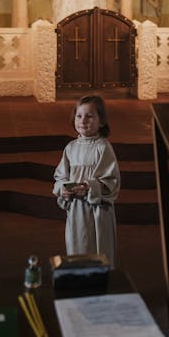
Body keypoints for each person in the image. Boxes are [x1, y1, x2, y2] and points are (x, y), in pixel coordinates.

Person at [53, 95, 121, 267]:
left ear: (101, 121)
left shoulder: (103, 147)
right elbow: (60, 177)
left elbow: (111, 181)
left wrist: (90, 187)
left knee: (98, 251)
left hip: (98, 211)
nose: (83, 120)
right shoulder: (70, 148)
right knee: (78, 248)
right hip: (77, 211)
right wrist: (63, 189)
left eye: (90, 116)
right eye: (79, 115)